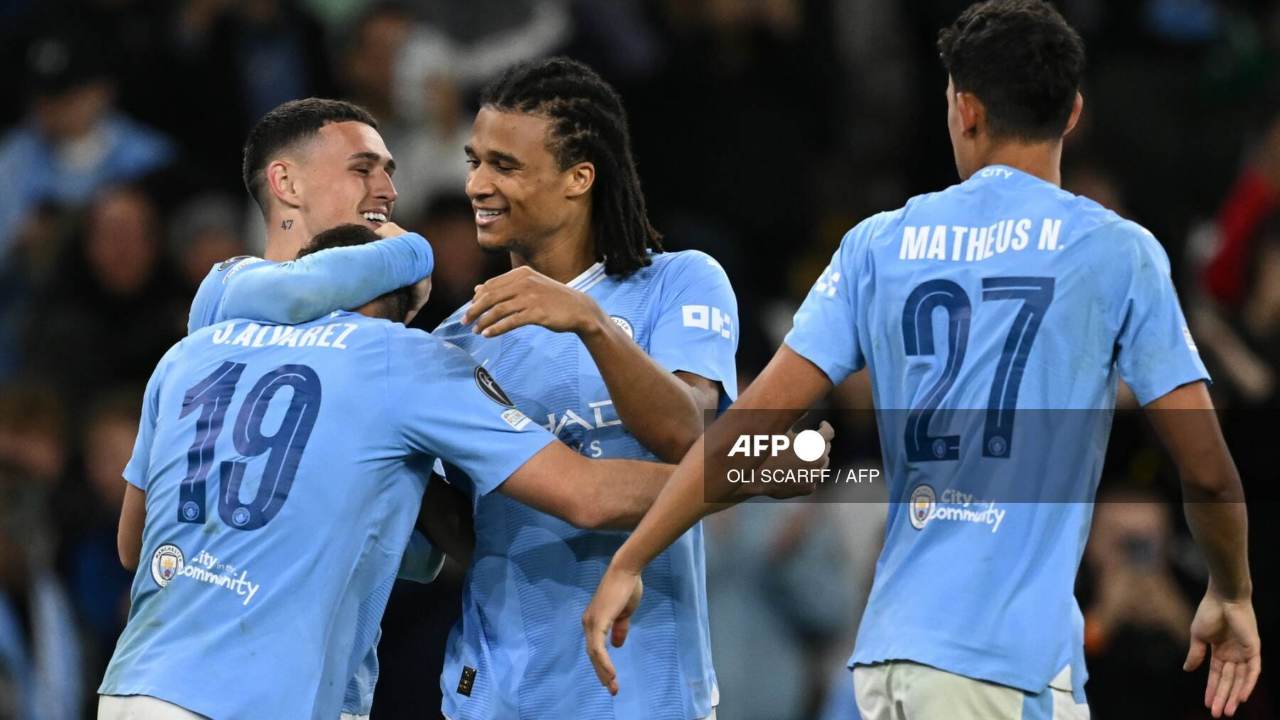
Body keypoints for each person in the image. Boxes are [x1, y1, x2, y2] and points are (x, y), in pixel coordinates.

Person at [583, 3, 1261, 720]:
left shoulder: (878, 244)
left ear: (964, 110)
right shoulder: (1118, 251)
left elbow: (744, 432)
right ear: (1073, 114)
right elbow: (1208, 471)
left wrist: (633, 555)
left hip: (891, 658)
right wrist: (1232, 591)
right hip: (1003, 665)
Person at [94, 223, 683, 719]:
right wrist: (762, 469)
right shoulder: (396, 356)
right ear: (399, 303)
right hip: (255, 702)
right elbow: (586, 496)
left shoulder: (190, 353)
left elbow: (132, 543)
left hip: (132, 686)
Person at [429, 57, 741, 719]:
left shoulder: (680, 284)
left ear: (579, 177)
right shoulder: (453, 342)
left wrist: (593, 326)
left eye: (504, 166)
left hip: (645, 693)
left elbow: (689, 434)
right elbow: (459, 529)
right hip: (497, 696)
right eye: (473, 160)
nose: (477, 185)